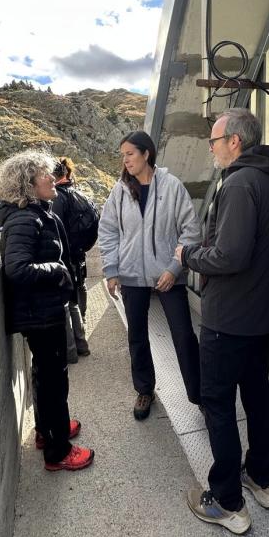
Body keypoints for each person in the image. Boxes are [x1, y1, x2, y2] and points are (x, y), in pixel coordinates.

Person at [176, 108, 269, 535]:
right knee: (258, 397)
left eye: (214, 141)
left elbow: (230, 255)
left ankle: (226, 502)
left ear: (235, 142)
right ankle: (260, 477)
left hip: (229, 320)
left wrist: (187, 256)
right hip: (259, 317)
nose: (211, 148)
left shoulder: (239, 183)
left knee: (218, 405)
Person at [0, 149, 94, 471]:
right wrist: (58, 270)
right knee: (54, 380)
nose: (52, 179)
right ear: (27, 184)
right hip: (40, 314)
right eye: (45, 175)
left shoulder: (35, 213)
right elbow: (18, 269)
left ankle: (48, 431)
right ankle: (58, 451)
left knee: (47, 376)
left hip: (42, 311)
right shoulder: (26, 218)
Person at [99, 131, 202, 421]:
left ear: (147, 154)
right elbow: (107, 231)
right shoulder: (120, 190)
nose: (125, 160)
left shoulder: (172, 186)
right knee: (137, 336)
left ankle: (199, 394)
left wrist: (174, 268)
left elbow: (190, 230)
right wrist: (111, 270)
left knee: (183, 336)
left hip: (169, 276)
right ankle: (145, 390)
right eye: (123, 155)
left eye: (130, 153)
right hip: (131, 276)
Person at [51, 157, 90, 362]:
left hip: (65, 257)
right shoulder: (79, 193)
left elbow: (56, 229)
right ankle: (82, 342)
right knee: (78, 294)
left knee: (68, 302)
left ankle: (73, 350)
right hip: (79, 253)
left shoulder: (58, 198)